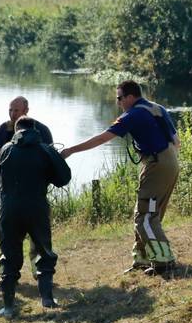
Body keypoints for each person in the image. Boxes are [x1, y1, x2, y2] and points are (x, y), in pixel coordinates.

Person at [62, 80, 180, 277]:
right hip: (169, 161)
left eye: (119, 98)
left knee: (146, 217)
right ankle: (142, 259)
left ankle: (164, 262)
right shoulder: (156, 108)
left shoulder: (133, 114)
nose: (118, 103)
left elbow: (101, 138)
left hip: (157, 163)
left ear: (130, 97)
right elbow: (177, 142)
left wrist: (70, 151)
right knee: (146, 212)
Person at [0, 117, 71, 316]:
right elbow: (64, 178)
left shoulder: (6, 149)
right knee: (43, 251)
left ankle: (9, 306)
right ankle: (47, 299)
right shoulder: (45, 150)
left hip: (9, 209)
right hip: (36, 207)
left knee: (8, 255)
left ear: (17, 131)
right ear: (35, 130)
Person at [0, 96, 53, 288]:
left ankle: (41, 276)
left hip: (35, 192)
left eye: (16, 111)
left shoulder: (41, 130)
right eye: (10, 110)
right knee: (6, 235)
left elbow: (51, 159)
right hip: (8, 193)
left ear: (26, 110)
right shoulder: (2, 130)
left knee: (38, 238)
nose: (12, 114)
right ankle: (7, 277)